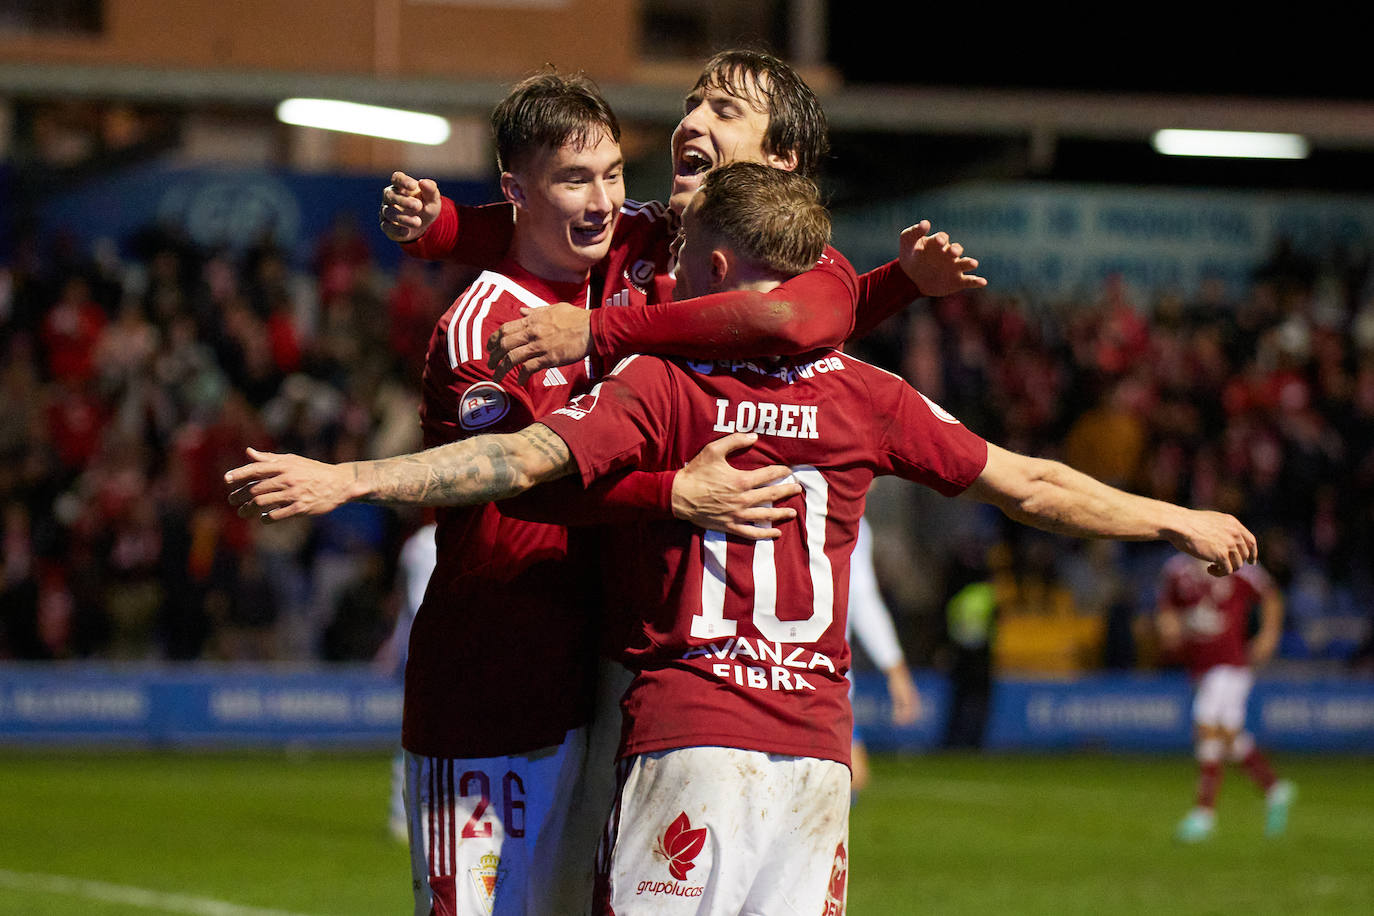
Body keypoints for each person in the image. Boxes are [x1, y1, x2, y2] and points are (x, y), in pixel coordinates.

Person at [227, 162, 1259, 914]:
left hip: (692, 743)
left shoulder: (665, 382)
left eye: (680, 252)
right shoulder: (872, 395)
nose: (663, 268)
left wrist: (346, 479)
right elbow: (1029, 484)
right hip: (814, 766)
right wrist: (1176, 516)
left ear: (716, 261)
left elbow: (517, 464)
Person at [355, 73, 795, 916]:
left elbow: (807, 289)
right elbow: (526, 483)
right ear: (520, 191)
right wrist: (674, 496)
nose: (602, 203)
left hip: (585, 690)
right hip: (487, 683)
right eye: (574, 180)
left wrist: (905, 284)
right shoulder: (487, 324)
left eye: (613, 175)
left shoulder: (627, 260)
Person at [378, 48, 987, 386]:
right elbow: (532, 227)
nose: (691, 123)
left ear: (780, 158)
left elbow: (787, 320)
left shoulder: (808, 265)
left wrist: (595, 332)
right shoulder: (638, 226)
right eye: (692, 105)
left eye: (724, 112)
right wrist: (438, 224)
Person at [1157, 554, 1295, 843]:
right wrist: (1169, 628)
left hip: (1231, 665)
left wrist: (1269, 635)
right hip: (1199, 666)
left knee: (1206, 725)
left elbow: (1271, 596)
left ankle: (1203, 814)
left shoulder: (1237, 565)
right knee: (1228, 736)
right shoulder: (1176, 569)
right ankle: (1274, 788)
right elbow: (1168, 609)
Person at [846, 514, 921, 796]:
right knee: (846, 777)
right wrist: (896, 669)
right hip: (812, 674)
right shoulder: (845, 515)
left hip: (780, 667)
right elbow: (862, 598)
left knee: (848, 776)